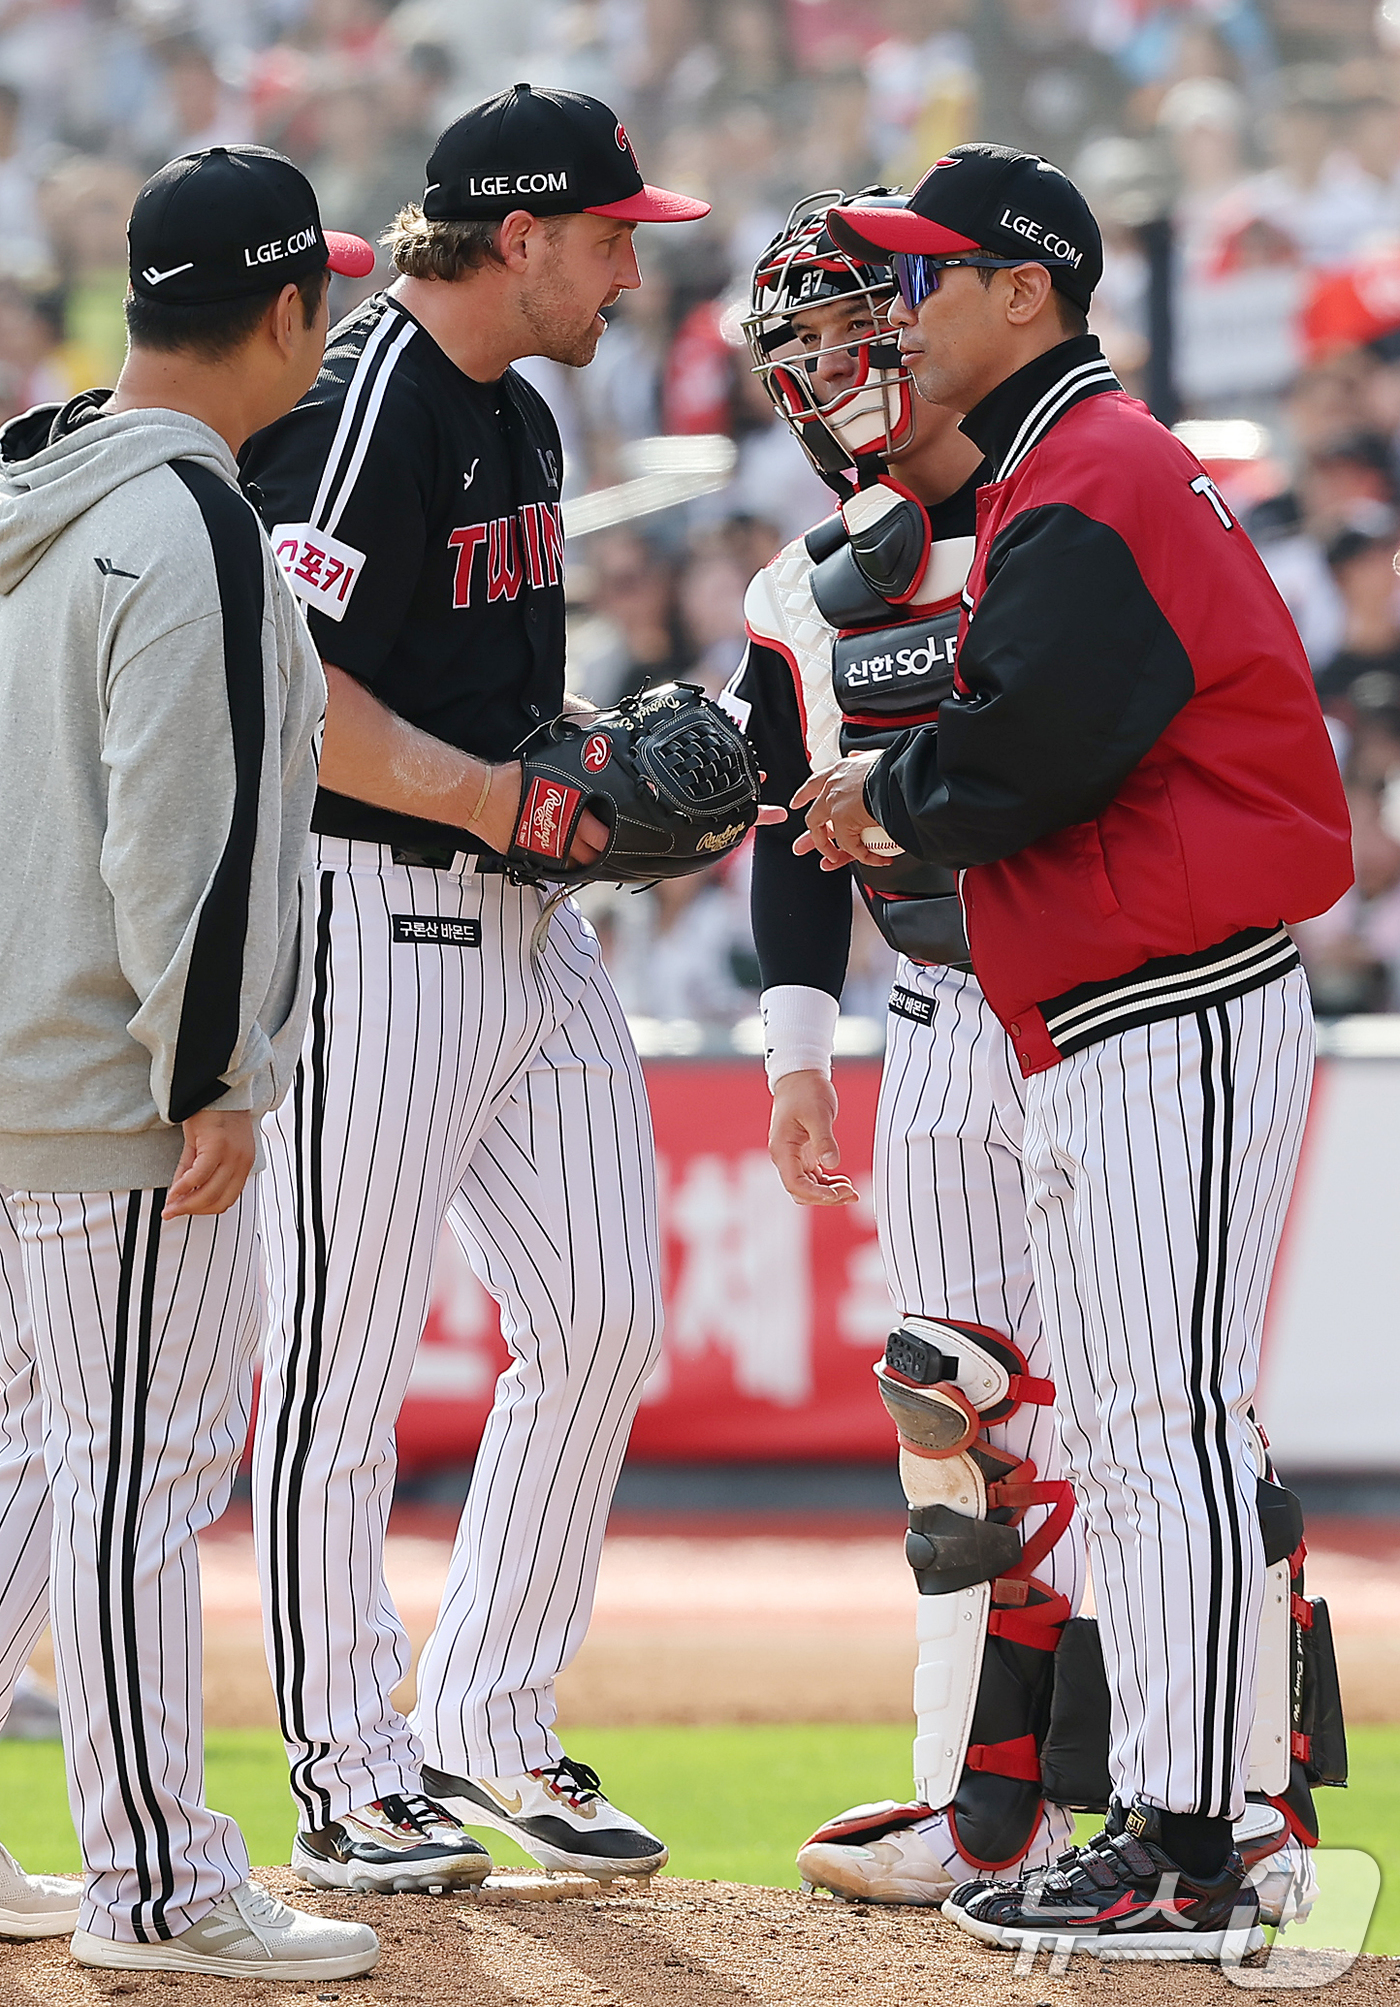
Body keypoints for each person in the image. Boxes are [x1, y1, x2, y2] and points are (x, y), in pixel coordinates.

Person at [726, 187, 1321, 1930]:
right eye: (846, 313)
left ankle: (1222, 1826)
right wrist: (803, 1007)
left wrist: (879, 803)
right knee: (1025, 1412)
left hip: (1146, 986)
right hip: (1016, 997)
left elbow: (1030, 751)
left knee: (1164, 1426)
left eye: (909, 291)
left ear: (1019, 290)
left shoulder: (1085, 475)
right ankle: (1036, 1801)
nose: (874, 338)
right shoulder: (924, 522)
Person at [241, 83, 710, 1892]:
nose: (630, 271)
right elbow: (287, 691)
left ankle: (487, 1725)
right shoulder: (366, 401)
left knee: (601, 1319)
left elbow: (476, 696)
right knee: (342, 1360)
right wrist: (504, 790)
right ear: (517, 236)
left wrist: (591, 772)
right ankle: (345, 1766)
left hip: (529, 924)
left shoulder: (520, 413)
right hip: (372, 912)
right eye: (612, 238)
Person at [0, 146, 381, 1979]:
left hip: (12, 1059)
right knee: (135, 1475)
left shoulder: (33, 480)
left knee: (37, 1461)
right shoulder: (193, 518)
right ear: (289, 310)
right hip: (111, 1080)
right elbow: (192, 834)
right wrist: (210, 1069)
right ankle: (156, 1883)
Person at [724, 188, 1086, 1902]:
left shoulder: (1051, 515)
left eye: (855, 321)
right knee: (943, 1412)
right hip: (935, 1013)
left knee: (1130, 1419)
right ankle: (968, 1797)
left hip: (1099, 999)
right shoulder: (799, 591)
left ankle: (1192, 1790)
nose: (831, 367)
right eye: (793, 340)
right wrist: (798, 1049)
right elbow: (785, 827)